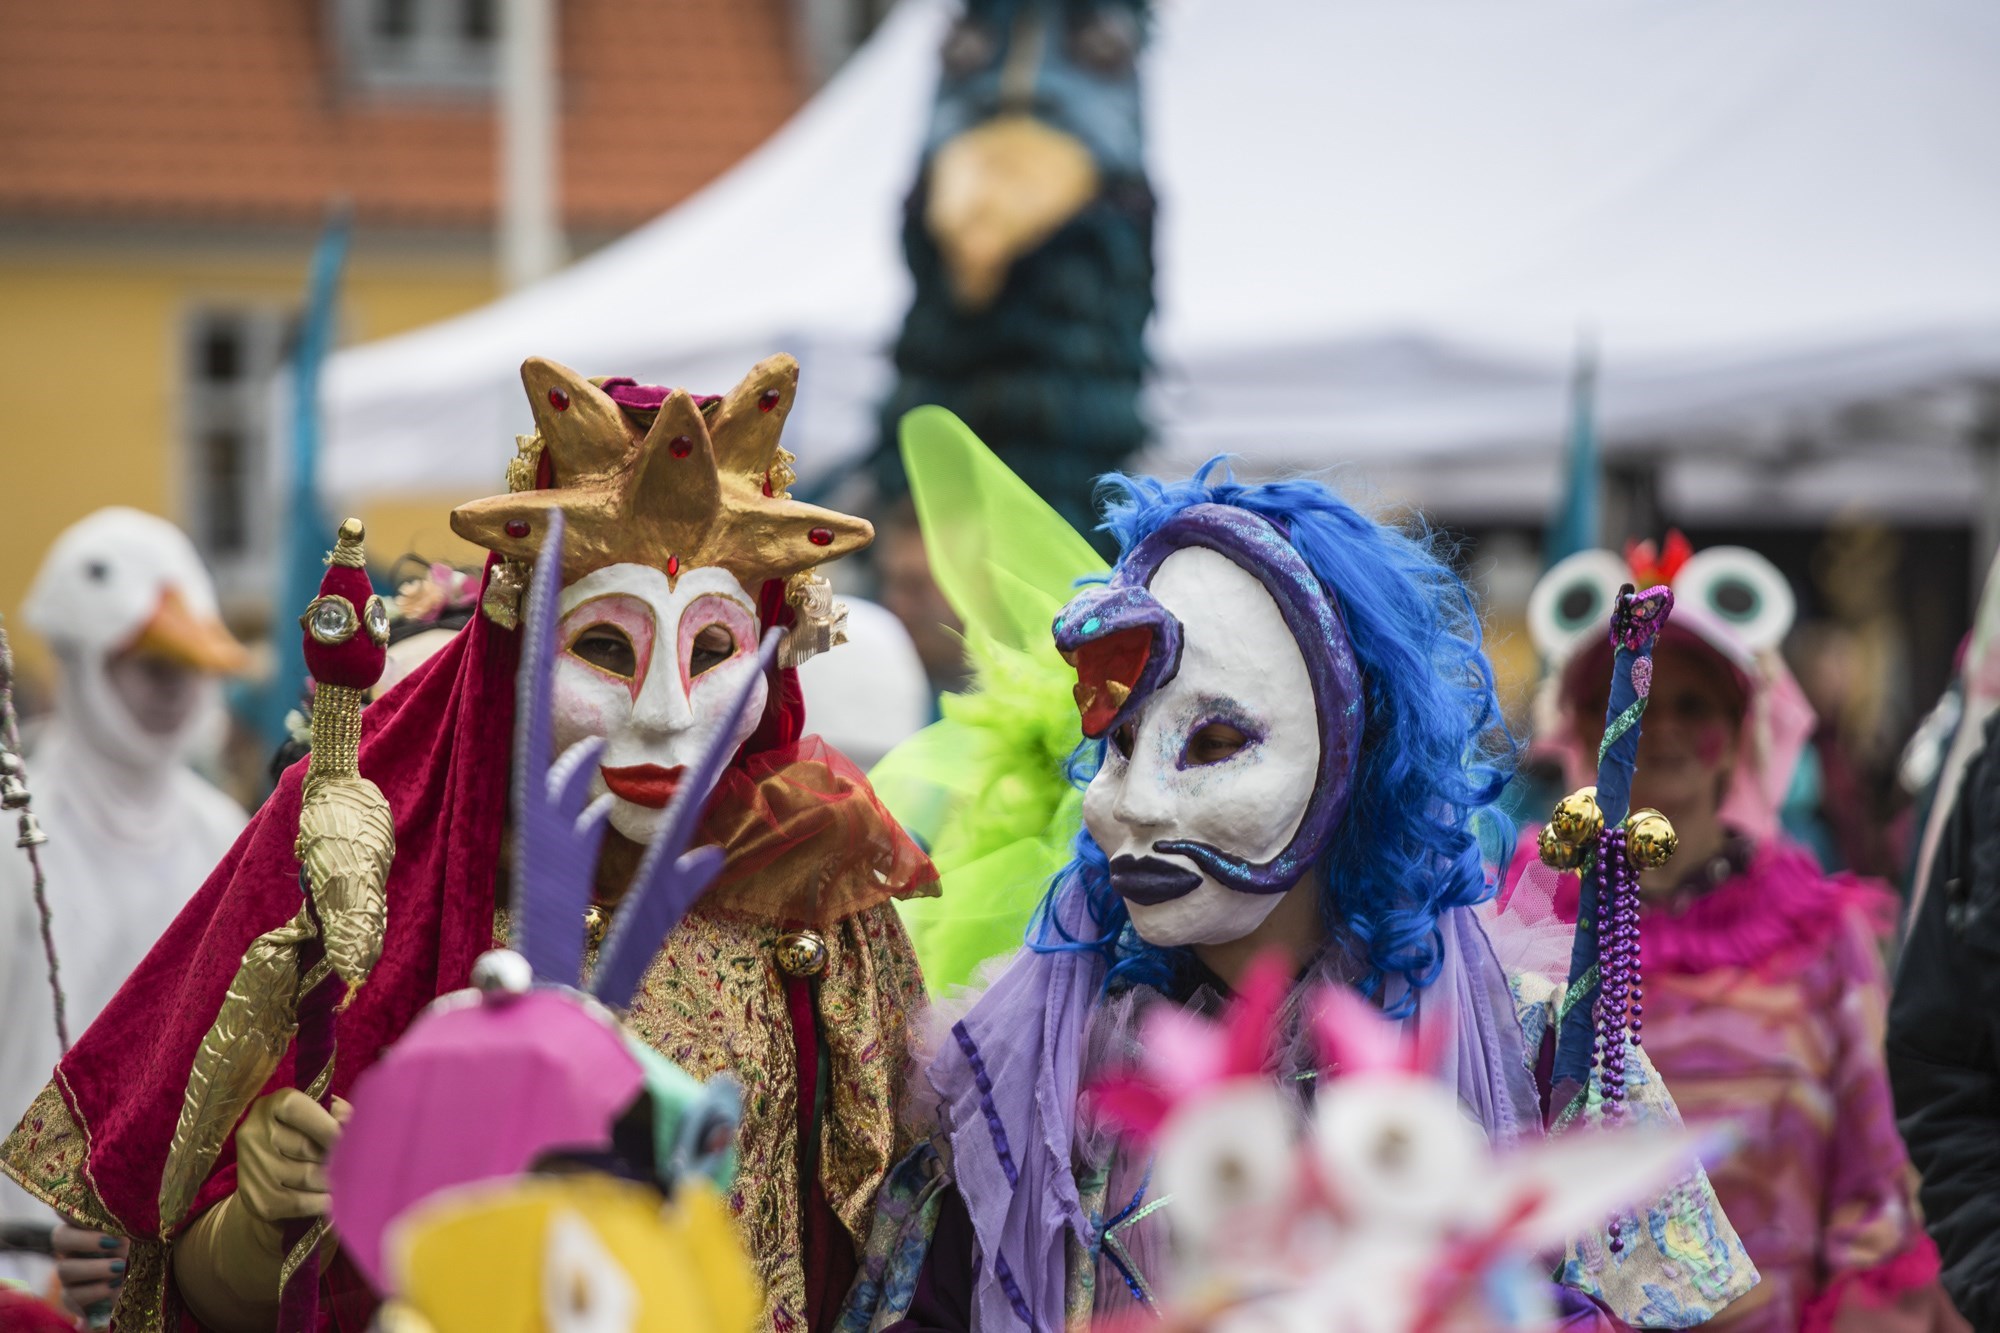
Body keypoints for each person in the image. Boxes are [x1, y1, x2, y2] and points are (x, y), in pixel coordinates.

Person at [0, 357, 936, 1333]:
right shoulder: (374, 865)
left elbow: (912, 1258)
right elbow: (190, 1288)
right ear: (516, 646)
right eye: (606, 647)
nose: (663, 713)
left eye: (711, 650)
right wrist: (263, 1219)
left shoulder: (821, 894)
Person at [842, 412, 1754, 1333]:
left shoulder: (1546, 1049)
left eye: (1218, 739)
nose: (1134, 804)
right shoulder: (1036, 1078)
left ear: (1359, 750)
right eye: (1119, 744)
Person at [1524, 536, 1966, 1332]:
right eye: (1628, 696)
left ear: (1739, 729)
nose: (1653, 726)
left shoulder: (1822, 935)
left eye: (1692, 704)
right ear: (1582, 724)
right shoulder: (1519, 922)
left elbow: (1876, 1203)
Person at [0, 509, 249, 1310]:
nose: (171, 692)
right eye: (147, 666)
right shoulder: (13, 836)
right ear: (80, 660)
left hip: (169, 1273)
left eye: (184, 667)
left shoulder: (226, 837)